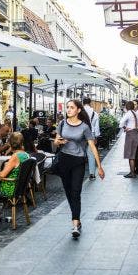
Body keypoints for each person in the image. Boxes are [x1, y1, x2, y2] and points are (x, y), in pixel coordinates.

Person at [53, 100, 105, 238]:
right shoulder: (62, 123)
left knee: (76, 192)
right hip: (64, 160)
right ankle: (77, 219)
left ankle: (75, 223)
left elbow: (92, 146)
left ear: (78, 110)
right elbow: (55, 141)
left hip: (78, 162)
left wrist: (99, 167)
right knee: (69, 192)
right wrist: (58, 142)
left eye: (71, 107)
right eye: (67, 107)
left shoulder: (84, 127)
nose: (68, 110)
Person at [119, 100, 138, 178]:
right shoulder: (136, 113)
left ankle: (132, 173)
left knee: (131, 154)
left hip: (131, 134)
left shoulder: (129, 113)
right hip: (137, 133)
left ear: (127, 107)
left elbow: (121, 123)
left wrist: (125, 128)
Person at [82, 97, 101, 181]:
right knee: (91, 155)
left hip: (81, 135)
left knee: (80, 154)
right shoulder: (94, 113)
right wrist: (96, 136)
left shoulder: (80, 112)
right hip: (91, 134)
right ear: (90, 103)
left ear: (83, 103)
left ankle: (79, 174)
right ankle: (92, 174)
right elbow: (96, 127)